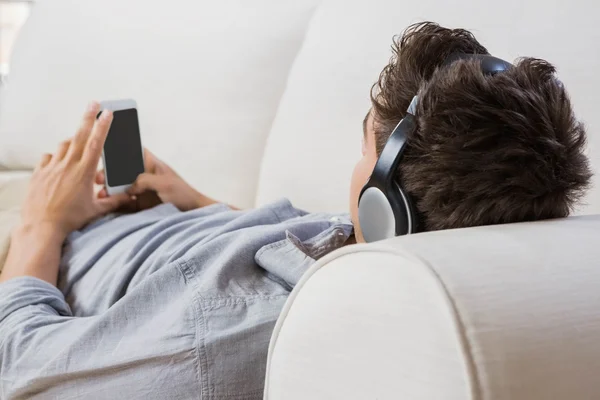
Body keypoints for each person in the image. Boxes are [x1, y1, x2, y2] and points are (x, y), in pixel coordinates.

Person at [0, 22, 591, 399]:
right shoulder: (399, 247)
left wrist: (41, 220)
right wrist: (200, 203)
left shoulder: (215, 340)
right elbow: (301, 244)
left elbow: (23, 367)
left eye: (364, 146)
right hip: (131, 221)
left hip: (29, 258)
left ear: (388, 209)